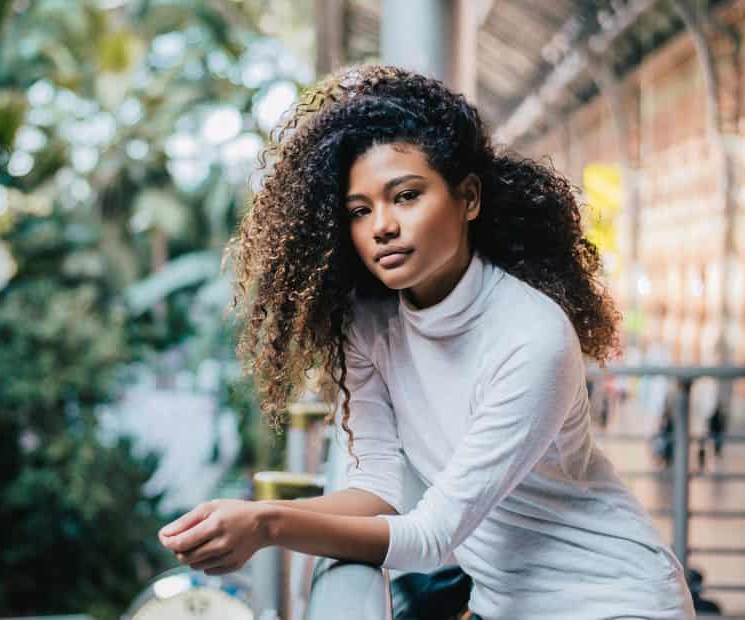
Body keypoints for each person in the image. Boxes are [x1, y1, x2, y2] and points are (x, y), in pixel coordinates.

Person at [157, 64, 695, 619]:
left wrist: (267, 523)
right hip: (503, 607)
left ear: (468, 198)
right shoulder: (367, 324)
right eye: (359, 211)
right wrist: (251, 519)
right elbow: (374, 490)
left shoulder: (532, 335)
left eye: (406, 196)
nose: (381, 226)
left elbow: (432, 535)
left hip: (616, 600)